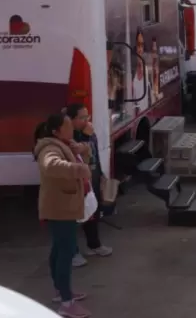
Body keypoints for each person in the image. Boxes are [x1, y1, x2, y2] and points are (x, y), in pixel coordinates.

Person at [34, 113, 93, 318]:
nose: (72, 129)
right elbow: (51, 165)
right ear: (55, 131)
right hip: (59, 209)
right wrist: (80, 169)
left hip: (64, 206)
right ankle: (66, 303)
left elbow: (83, 153)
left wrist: (83, 149)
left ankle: (62, 291)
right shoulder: (50, 148)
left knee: (60, 249)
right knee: (65, 252)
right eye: (68, 126)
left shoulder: (65, 142)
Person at [64, 104, 112, 267]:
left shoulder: (88, 131)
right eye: (82, 118)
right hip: (76, 180)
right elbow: (76, 153)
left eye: (88, 117)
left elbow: (93, 153)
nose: (86, 121)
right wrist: (85, 138)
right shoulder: (69, 134)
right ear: (71, 119)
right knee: (73, 217)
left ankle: (94, 244)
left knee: (93, 210)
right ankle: (72, 252)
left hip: (92, 175)